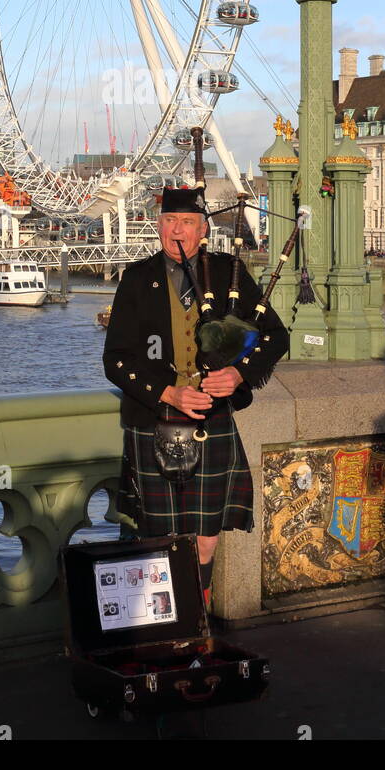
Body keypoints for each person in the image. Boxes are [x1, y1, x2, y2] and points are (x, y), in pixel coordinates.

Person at [103, 186, 289, 607]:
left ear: (203, 230)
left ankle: (197, 619)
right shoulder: (136, 278)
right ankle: (166, 625)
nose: (178, 230)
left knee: (206, 539)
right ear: (158, 226)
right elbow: (115, 359)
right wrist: (167, 392)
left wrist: (238, 374)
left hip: (212, 420)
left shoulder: (229, 274)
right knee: (161, 539)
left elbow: (276, 336)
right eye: (170, 221)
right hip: (154, 421)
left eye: (187, 222)